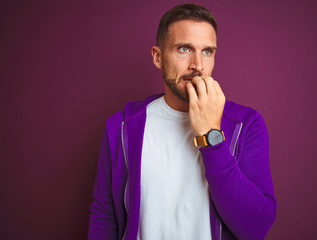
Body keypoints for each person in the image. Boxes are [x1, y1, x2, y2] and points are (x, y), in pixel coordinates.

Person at [88, 3, 276, 240]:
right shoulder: (122, 126)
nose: (198, 65)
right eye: (184, 49)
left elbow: (256, 228)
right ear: (158, 57)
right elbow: (105, 215)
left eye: (207, 51)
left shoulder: (245, 124)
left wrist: (210, 135)